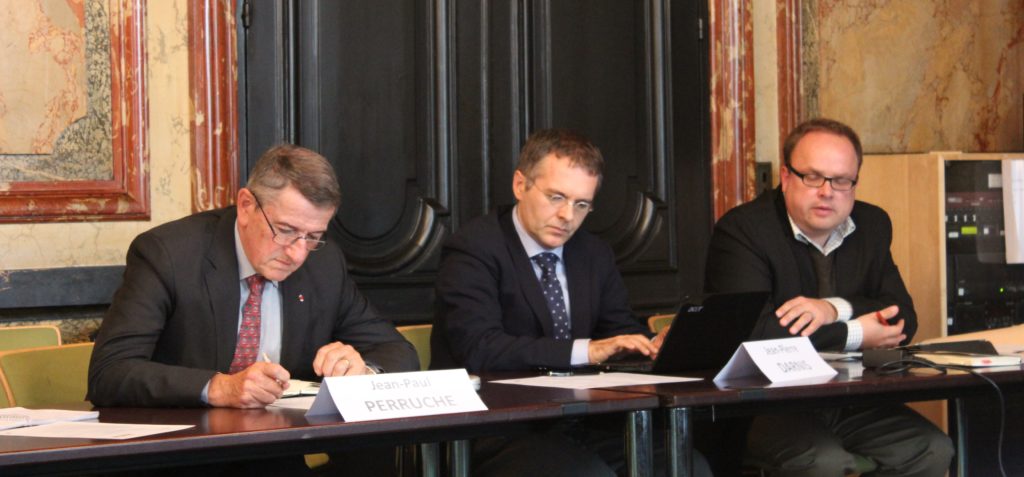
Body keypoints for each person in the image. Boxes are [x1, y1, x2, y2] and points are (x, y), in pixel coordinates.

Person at [88, 144, 419, 473]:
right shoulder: (169, 255)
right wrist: (219, 387)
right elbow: (110, 372)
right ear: (246, 206)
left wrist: (362, 372)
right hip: (180, 452)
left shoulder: (324, 264)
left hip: (273, 453)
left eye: (313, 236)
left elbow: (397, 351)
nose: (298, 253)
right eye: (286, 231)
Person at [432, 129, 711, 476]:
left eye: (581, 204)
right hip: (499, 428)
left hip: (583, 421)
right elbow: (480, 348)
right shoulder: (474, 249)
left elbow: (618, 331)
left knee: (688, 467)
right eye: (556, 197)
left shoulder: (593, 253)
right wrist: (586, 351)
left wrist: (650, 346)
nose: (568, 215)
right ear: (520, 185)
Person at [705, 118, 954, 476]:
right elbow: (755, 335)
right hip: (763, 404)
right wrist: (856, 332)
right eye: (813, 177)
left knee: (930, 449)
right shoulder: (743, 231)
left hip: (845, 396)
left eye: (841, 181)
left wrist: (832, 309)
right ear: (786, 176)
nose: (827, 192)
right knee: (824, 462)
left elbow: (902, 318)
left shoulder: (872, 224)